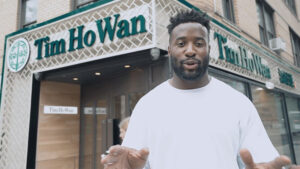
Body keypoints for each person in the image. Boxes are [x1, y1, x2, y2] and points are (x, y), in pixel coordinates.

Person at [101, 10, 300, 169]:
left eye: (198, 43)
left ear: (208, 50)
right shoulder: (147, 106)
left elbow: (259, 161)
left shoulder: (237, 103)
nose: (190, 50)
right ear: (170, 50)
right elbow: (136, 162)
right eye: (181, 43)